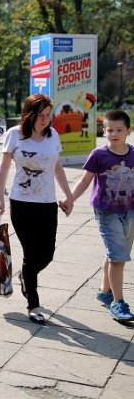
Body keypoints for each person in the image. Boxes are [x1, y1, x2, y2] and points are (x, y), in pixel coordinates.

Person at [0, 93, 74, 324]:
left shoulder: (53, 136)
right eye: (41, 115)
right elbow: (4, 168)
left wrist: (68, 195)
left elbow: (57, 168)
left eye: (49, 115)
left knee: (47, 254)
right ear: (30, 114)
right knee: (31, 254)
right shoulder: (15, 135)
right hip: (21, 204)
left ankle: (25, 277)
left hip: (47, 204)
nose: (45, 120)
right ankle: (33, 305)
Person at [69, 110, 134, 322]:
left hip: (129, 210)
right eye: (110, 130)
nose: (114, 134)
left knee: (116, 252)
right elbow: (85, 181)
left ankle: (104, 291)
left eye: (119, 130)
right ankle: (118, 302)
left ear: (128, 131)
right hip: (106, 211)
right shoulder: (98, 155)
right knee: (118, 257)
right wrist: (70, 199)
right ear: (104, 131)